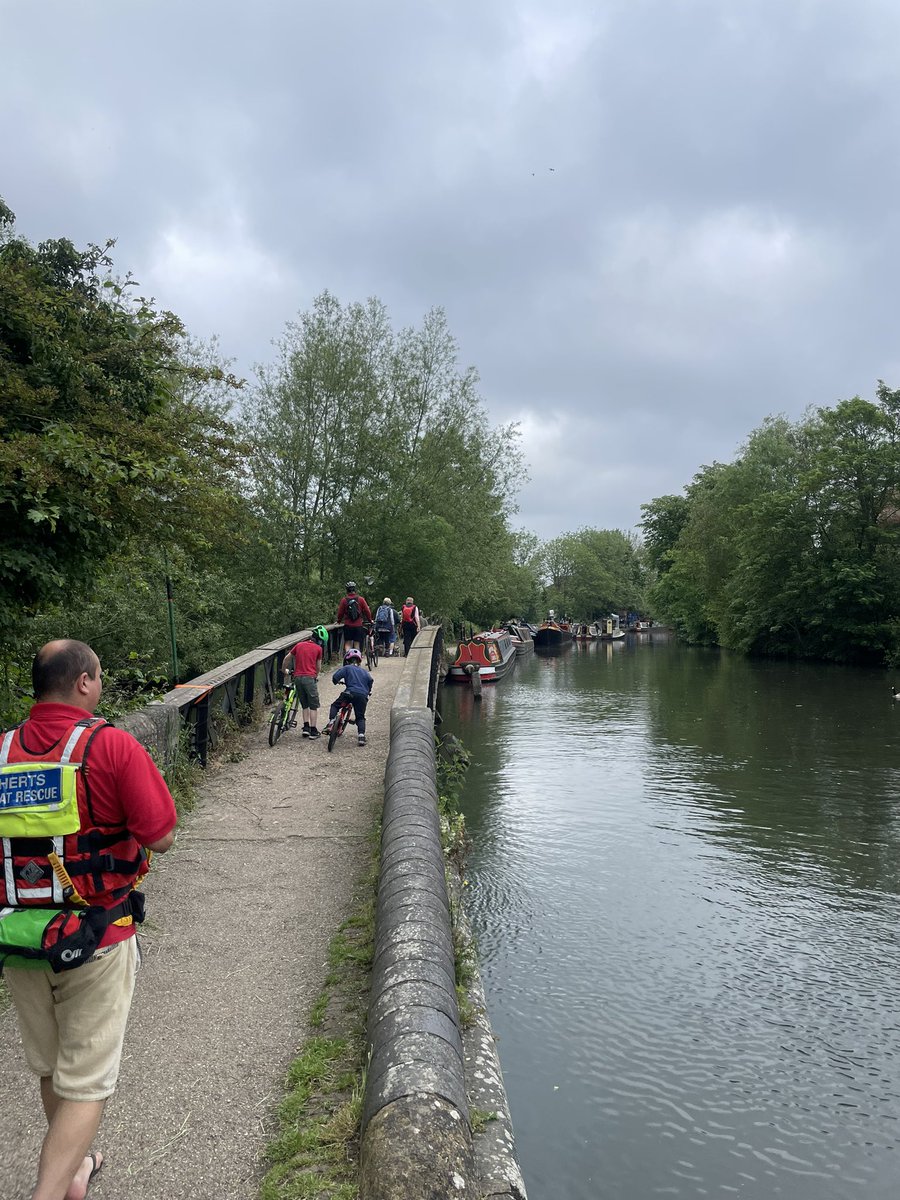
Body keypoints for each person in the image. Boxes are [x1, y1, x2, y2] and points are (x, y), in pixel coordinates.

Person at [1, 639, 177, 1200]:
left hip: (18, 937)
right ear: (83, 682)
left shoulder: (3, 751)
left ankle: (75, 1169)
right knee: (88, 1083)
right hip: (96, 934)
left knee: (53, 1069)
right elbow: (162, 836)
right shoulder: (112, 747)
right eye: (98, 676)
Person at [281, 624, 328, 739]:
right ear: (319, 641)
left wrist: (284, 670)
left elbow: (287, 658)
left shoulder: (299, 645)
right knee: (313, 705)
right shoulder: (318, 649)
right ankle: (313, 730)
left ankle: (305, 728)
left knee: (304, 704)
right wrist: (315, 675)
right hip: (309, 678)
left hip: (297, 678)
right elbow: (318, 667)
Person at [324, 648, 374, 747]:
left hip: (349, 692)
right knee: (360, 717)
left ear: (347, 660)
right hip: (362, 696)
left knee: (335, 706)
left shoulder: (347, 668)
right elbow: (370, 681)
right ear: (359, 661)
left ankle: (331, 722)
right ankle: (361, 736)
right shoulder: (365, 672)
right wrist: (368, 691)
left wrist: (336, 681)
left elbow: (335, 677)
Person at [336, 581, 372, 656]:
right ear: (355, 590)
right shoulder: (361, 599)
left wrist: (339, 620)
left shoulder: (344, 600)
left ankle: (348, 658)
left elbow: (340, 613)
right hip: (358, 625)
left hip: (348, 625)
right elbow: (367, 611)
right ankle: (357, 661)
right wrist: (370, 620)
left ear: (347, 590)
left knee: (348, 643)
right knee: (357, 644)